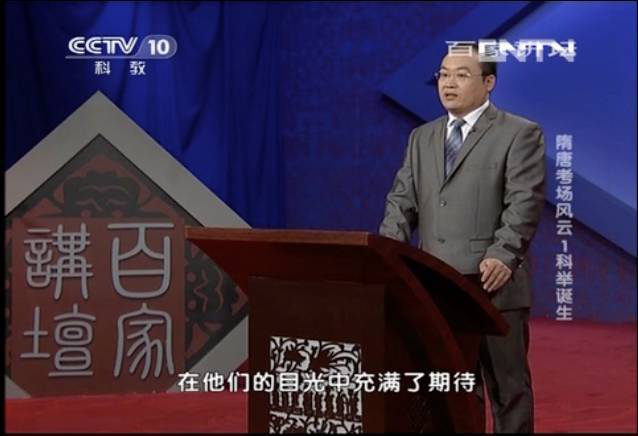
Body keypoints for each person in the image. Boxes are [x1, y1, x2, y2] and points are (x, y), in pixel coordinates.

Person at [379, 43, 544, 433]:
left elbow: (524, 202)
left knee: (507, 388)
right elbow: (401, 202)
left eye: (461, 75)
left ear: (489, 83)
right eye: (443, 75)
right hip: (437, 286)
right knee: (453, 388)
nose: (448, 83)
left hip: (493, 282)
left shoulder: (519, 133)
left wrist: (504, 254)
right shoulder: (422, 137)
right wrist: (389, 254)